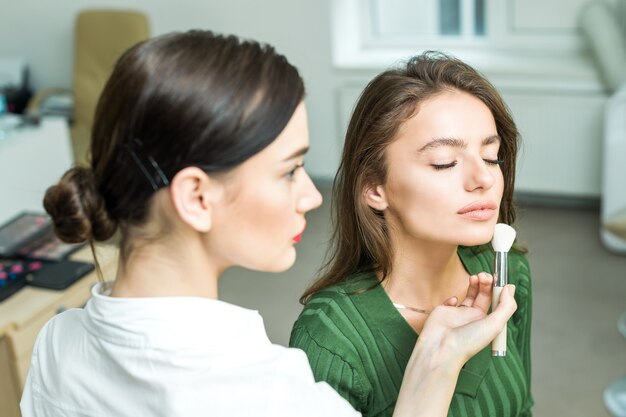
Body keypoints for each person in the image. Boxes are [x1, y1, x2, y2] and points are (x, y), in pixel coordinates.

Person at [20, 32, 517, 417]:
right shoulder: (276, 394)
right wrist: (436, 365)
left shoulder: (56, 344)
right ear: (196, 196)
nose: (312, 194)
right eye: (288, 171)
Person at [290, 51, 534, 417]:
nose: (484, 179)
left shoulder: (507, 272)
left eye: (491, 156)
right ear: (375, 187)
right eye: (444, 163)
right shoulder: (331, 339)